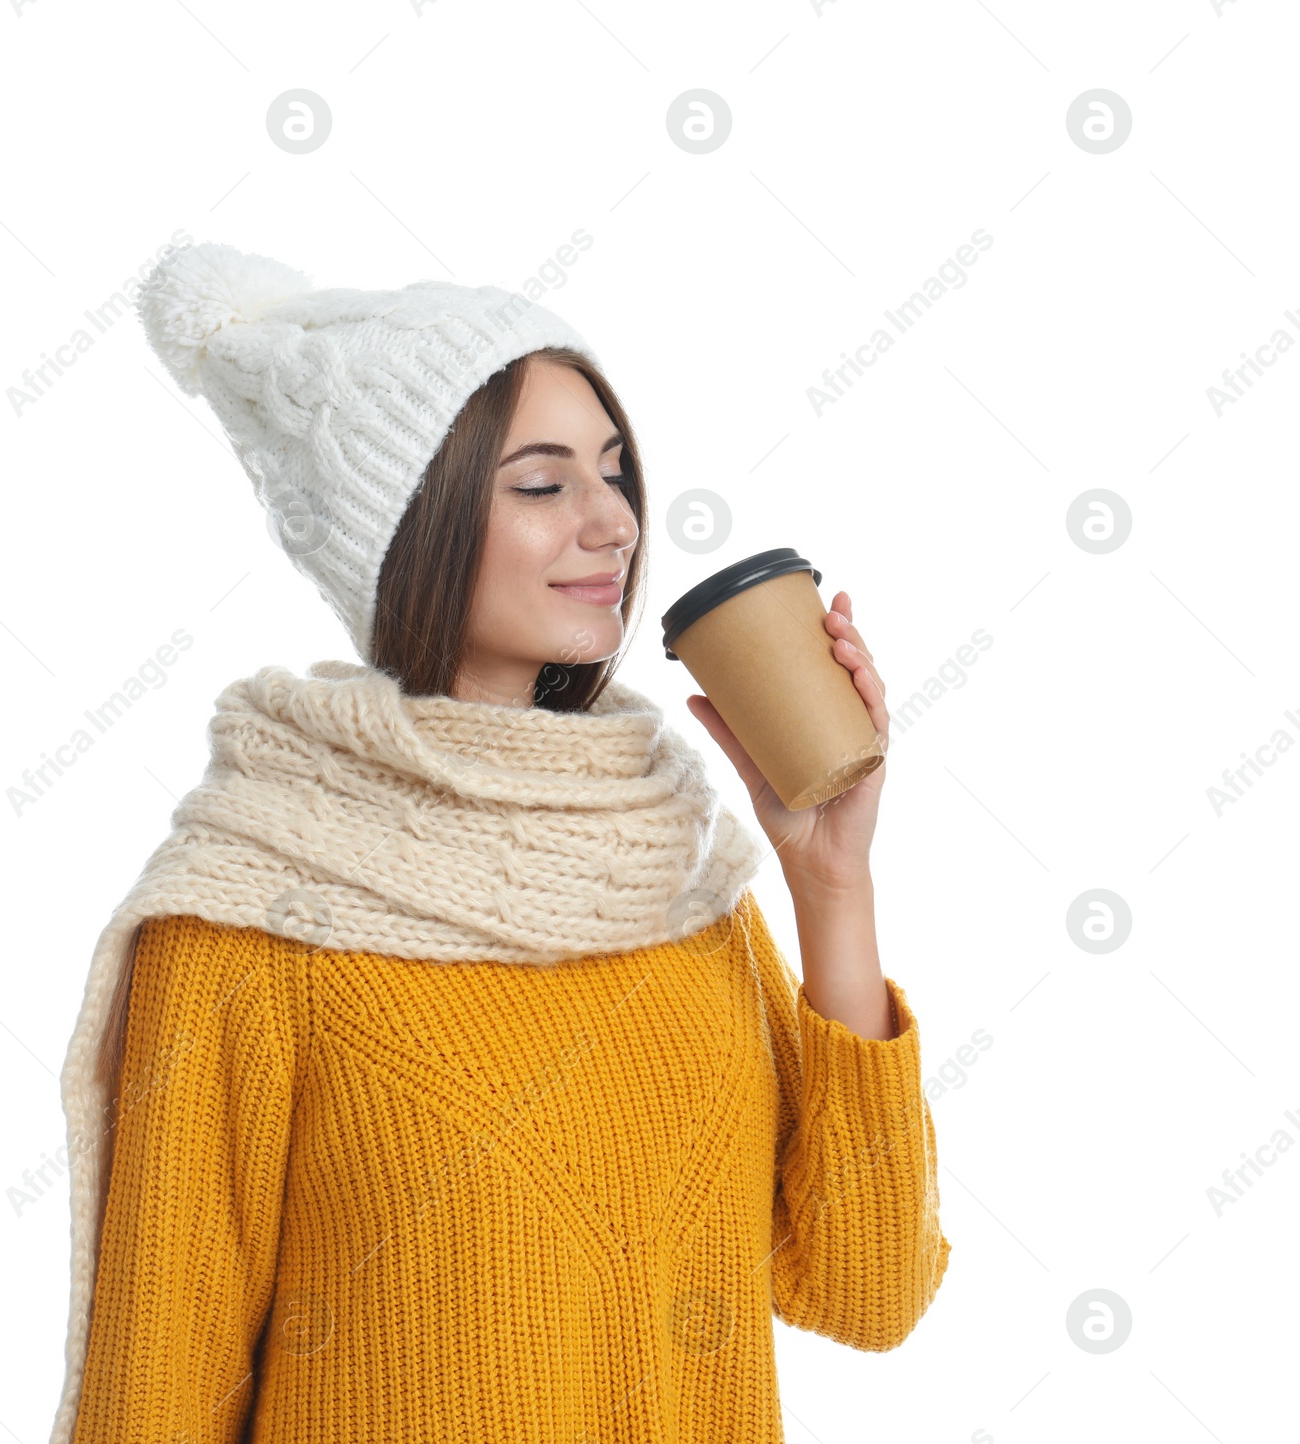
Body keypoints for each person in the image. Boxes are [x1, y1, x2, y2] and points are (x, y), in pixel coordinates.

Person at [47, 241, 950, 1444]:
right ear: (408, 530)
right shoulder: (256, 915)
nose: (612, 523)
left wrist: (830, 883)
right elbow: (153, 1395)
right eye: (541, 485)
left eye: (615, 473)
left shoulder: (667, 879)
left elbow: (866, 1288)